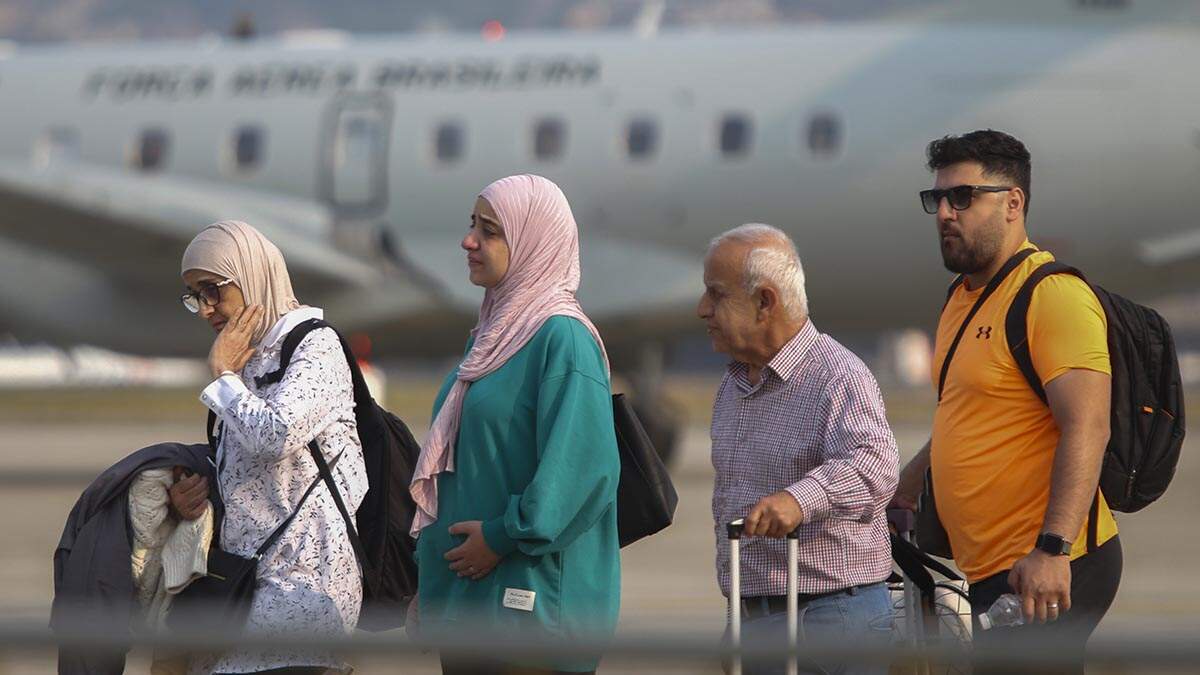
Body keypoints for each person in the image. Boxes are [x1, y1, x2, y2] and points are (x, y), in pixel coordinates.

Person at [892, 130, 1121, 673]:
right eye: (938, 199)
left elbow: (1088, 426)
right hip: (992, 568)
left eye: (963, 197)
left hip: (1049, 563)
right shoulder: (963, 297)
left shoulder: (1051, 295)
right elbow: (970, 415)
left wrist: (1053, 549)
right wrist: (909, 481)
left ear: (1013, 203)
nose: (946, 213)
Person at [410, 175, 621, 675]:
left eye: (490, 230)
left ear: (533, 243)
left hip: (532, 614)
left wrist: (503, 536)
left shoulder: (562, 339)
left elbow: (584, 471)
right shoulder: (494, 336)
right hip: (474, 606)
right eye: (471, 226)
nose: (469, 241)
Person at [699, 224, 899, 675]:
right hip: (756, 616)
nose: (702, 310)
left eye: (716, 295)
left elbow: (875, 464)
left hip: (827, 620)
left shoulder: (837, 375)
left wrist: (798, 500)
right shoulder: (734, 383)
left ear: (764, 302)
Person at [176, 219, 369, 675]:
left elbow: (275, 436)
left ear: (250, 276)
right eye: (194, 296)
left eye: (212, 290)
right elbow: (249, 477)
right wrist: (192, 498)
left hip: (306, 586)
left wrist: (223, 375)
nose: (205, 309)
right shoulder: (250, 355)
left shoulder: (315, 346)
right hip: (248, 583)